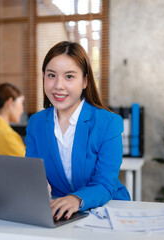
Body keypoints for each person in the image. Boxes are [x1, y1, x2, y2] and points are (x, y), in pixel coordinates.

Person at [25, 41, 130, 221]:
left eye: (69, 77)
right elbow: (34, 175)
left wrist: (76, 199)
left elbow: (105, 183)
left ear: (85, 81)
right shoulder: (36, 123)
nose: (58, 85)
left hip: (106, 210)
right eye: (51, 75)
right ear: (43, 77)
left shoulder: (108, 123)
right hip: (59, 213)